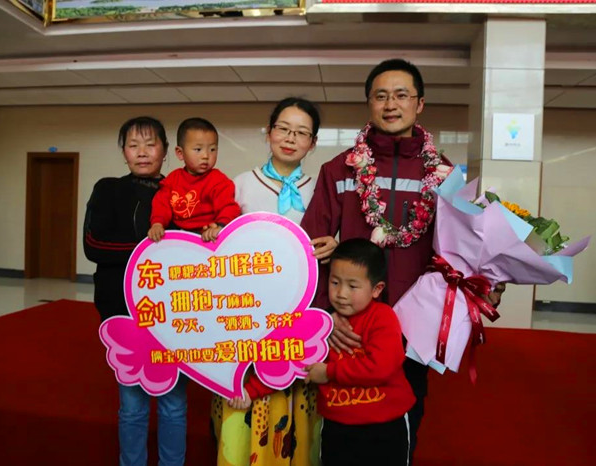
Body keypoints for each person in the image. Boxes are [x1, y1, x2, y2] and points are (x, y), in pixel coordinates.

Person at [300, 58, 505, 463]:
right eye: (380, 96)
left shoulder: (445, 178)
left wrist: (487, 286)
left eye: (401, 95)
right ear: (369, 103)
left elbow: (468, 248)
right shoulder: (339, 169)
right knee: (343, 427)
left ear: (419, 104)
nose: (391, 104)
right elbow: (310, 250)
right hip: (350, 329)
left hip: (416, 327)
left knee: (403, 426)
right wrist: (327, 316)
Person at [211, 97, 336, 466]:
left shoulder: (321, 188)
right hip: (245, 313)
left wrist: (336, 245)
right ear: (268, 132)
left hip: (299, 311)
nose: (290, 138)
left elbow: (333, 238)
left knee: (292, 391)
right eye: (283, 128)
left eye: (301, 132)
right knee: (242, 395)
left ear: (313, 142)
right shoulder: (240, 184)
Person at [83, 116, 187, 466]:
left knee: (174, 404)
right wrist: (151, 250)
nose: (142, 152)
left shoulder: (181, 192)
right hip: (123, 312)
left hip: (174, 315)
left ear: (166, 150)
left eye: (150, 144)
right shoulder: (107, 189)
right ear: (124, 152)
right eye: (133, 145)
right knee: (132, 405)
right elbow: (94, 245)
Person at [304, 238, 415, 466]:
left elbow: (380, 367)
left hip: (385, 427)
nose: (341, 293)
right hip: (337, 425)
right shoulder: (322, 322)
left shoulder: (383, 317)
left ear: (376, 289)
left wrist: (329, 372)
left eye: (352, 286)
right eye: (335, 282)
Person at [148, 117, 240, 243]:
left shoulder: (219, 180)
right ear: (180, 153)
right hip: (179, 235)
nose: (205, 156)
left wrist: (220, 226)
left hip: (208, 236)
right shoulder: (172, 180)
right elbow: (161, 205)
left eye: (212, 149)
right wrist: (157, 224)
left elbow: (228, 207)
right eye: (198, 149)